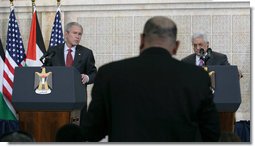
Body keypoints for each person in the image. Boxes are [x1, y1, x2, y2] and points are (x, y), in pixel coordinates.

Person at [81, 16, 220, 142]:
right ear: (176, 46)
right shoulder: (197, 77)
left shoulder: (109, 74)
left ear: (142, 39)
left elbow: (92, 131)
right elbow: (212, 133)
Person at [46, 22, 97, 126]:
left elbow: (94, 73)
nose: (77, 37)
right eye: (75, 33)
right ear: (66, 34)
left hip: (77, 98)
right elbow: (45, 70)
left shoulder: (86, 53)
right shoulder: (53, 51)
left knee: (77, 129)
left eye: (80, 34)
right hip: (57, 97)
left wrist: (87, 77)